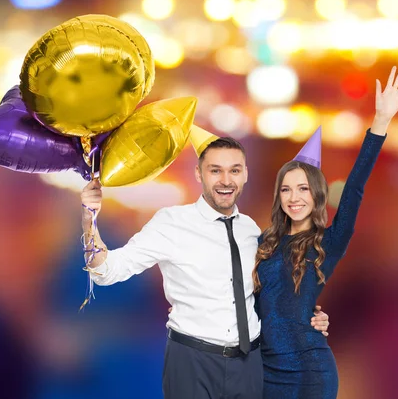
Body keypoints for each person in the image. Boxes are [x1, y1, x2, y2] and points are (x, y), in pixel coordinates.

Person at [80, 126, 330, 399]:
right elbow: (105, 272)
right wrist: (89, 219)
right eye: (215, 170)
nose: (226, 180)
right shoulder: (171, 222)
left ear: (245, 174)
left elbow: (263, 295)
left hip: (249, 364)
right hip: (191, 361)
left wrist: (307, 315)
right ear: (199, 174)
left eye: (234, 170)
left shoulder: (251, 230)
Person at [253, 66, 398, 398]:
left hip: (311, 370)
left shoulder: (330, 240)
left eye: (303, 190)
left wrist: (380, 122)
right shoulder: (261, 242)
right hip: (265, 369)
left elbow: (354, 187)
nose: (294, 198)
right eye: (287, 190)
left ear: (317, 196)